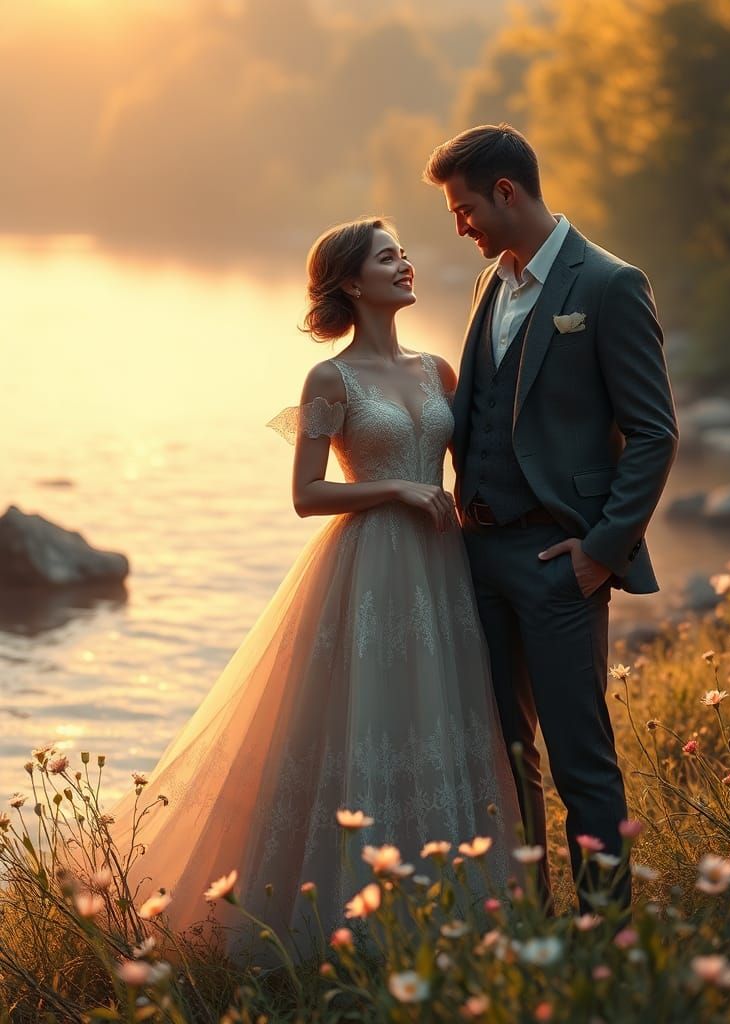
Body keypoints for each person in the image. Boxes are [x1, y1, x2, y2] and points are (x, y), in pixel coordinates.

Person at [104, 216, 522, 962]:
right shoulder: (330, 379)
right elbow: (305, 493)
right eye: (386, 257)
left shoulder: (438, 372)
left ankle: (455, 917)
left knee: (438, 721)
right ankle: (341, 927)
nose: (405, 264)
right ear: (351, 283)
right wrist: (394, 487)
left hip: (441, 570)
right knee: (363, 725)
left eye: (402, 254)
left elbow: (478, 463)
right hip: (369, 568)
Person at [423, 124, 678, 911]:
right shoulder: (488, 283)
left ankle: (605, 935)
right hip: (480, 557)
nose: (458, 225)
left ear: (507, 192)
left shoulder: (608, 284)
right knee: (504, 756)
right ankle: (528, 915)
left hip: (559, 563)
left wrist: (601, 551)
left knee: (581, 759)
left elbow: (655, 432)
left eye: (464, 208)